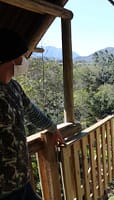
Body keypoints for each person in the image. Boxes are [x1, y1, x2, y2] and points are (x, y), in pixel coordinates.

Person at [0, 29, 65, 200]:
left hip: (21, 182)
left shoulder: (13, 87)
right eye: (23, 55)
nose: (25, 60)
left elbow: (31, 111)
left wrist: (52, 128)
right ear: (12, 58)